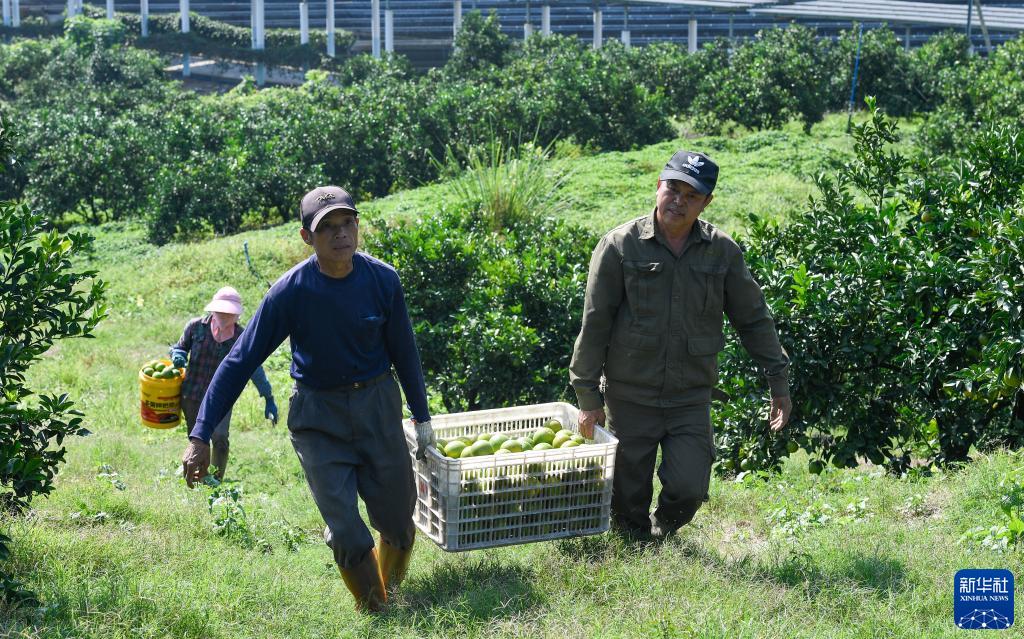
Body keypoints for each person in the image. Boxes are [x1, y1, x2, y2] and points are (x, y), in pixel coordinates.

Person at [180, 186, 434, 613]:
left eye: (347, 223)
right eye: (327, 227)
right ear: (306, 237)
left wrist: (422, 419)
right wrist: (200, 434)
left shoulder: (382, 280)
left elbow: (405, 352)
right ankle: (376, 612)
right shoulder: (291, 291)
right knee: (347, 531)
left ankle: (389, 591)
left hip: (377, 406)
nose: (341, 234)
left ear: (357, 225)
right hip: (318, 418)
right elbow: (240, 362)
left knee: (398, 523)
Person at [569, 150, 792, 540]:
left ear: (707, 202)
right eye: (673, 189)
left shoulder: (722, 251)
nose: (679, 201)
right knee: (626, 497)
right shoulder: (620, 246)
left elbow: (754, 319)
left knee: (689, 486)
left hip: (690, 396)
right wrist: (588, 397)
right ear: (658, 186)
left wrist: (778, 383)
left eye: (692, 195)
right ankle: (635, 544)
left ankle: (663, 529)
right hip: (630, 395)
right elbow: (595, 323)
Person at [170, 286, 279, 481]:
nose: (224, 316)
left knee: (220, 439)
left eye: (229, 313)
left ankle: (216, 478)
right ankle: (199, 475)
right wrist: (178, 355)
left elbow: (255, 370)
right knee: (197, 438)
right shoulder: (195, 327)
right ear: (213, 310)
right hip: (192, 394)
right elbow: (180, 347)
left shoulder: (242, 338)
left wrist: (268, 397)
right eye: (221, 311)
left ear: (237, 315)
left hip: (221, 399)